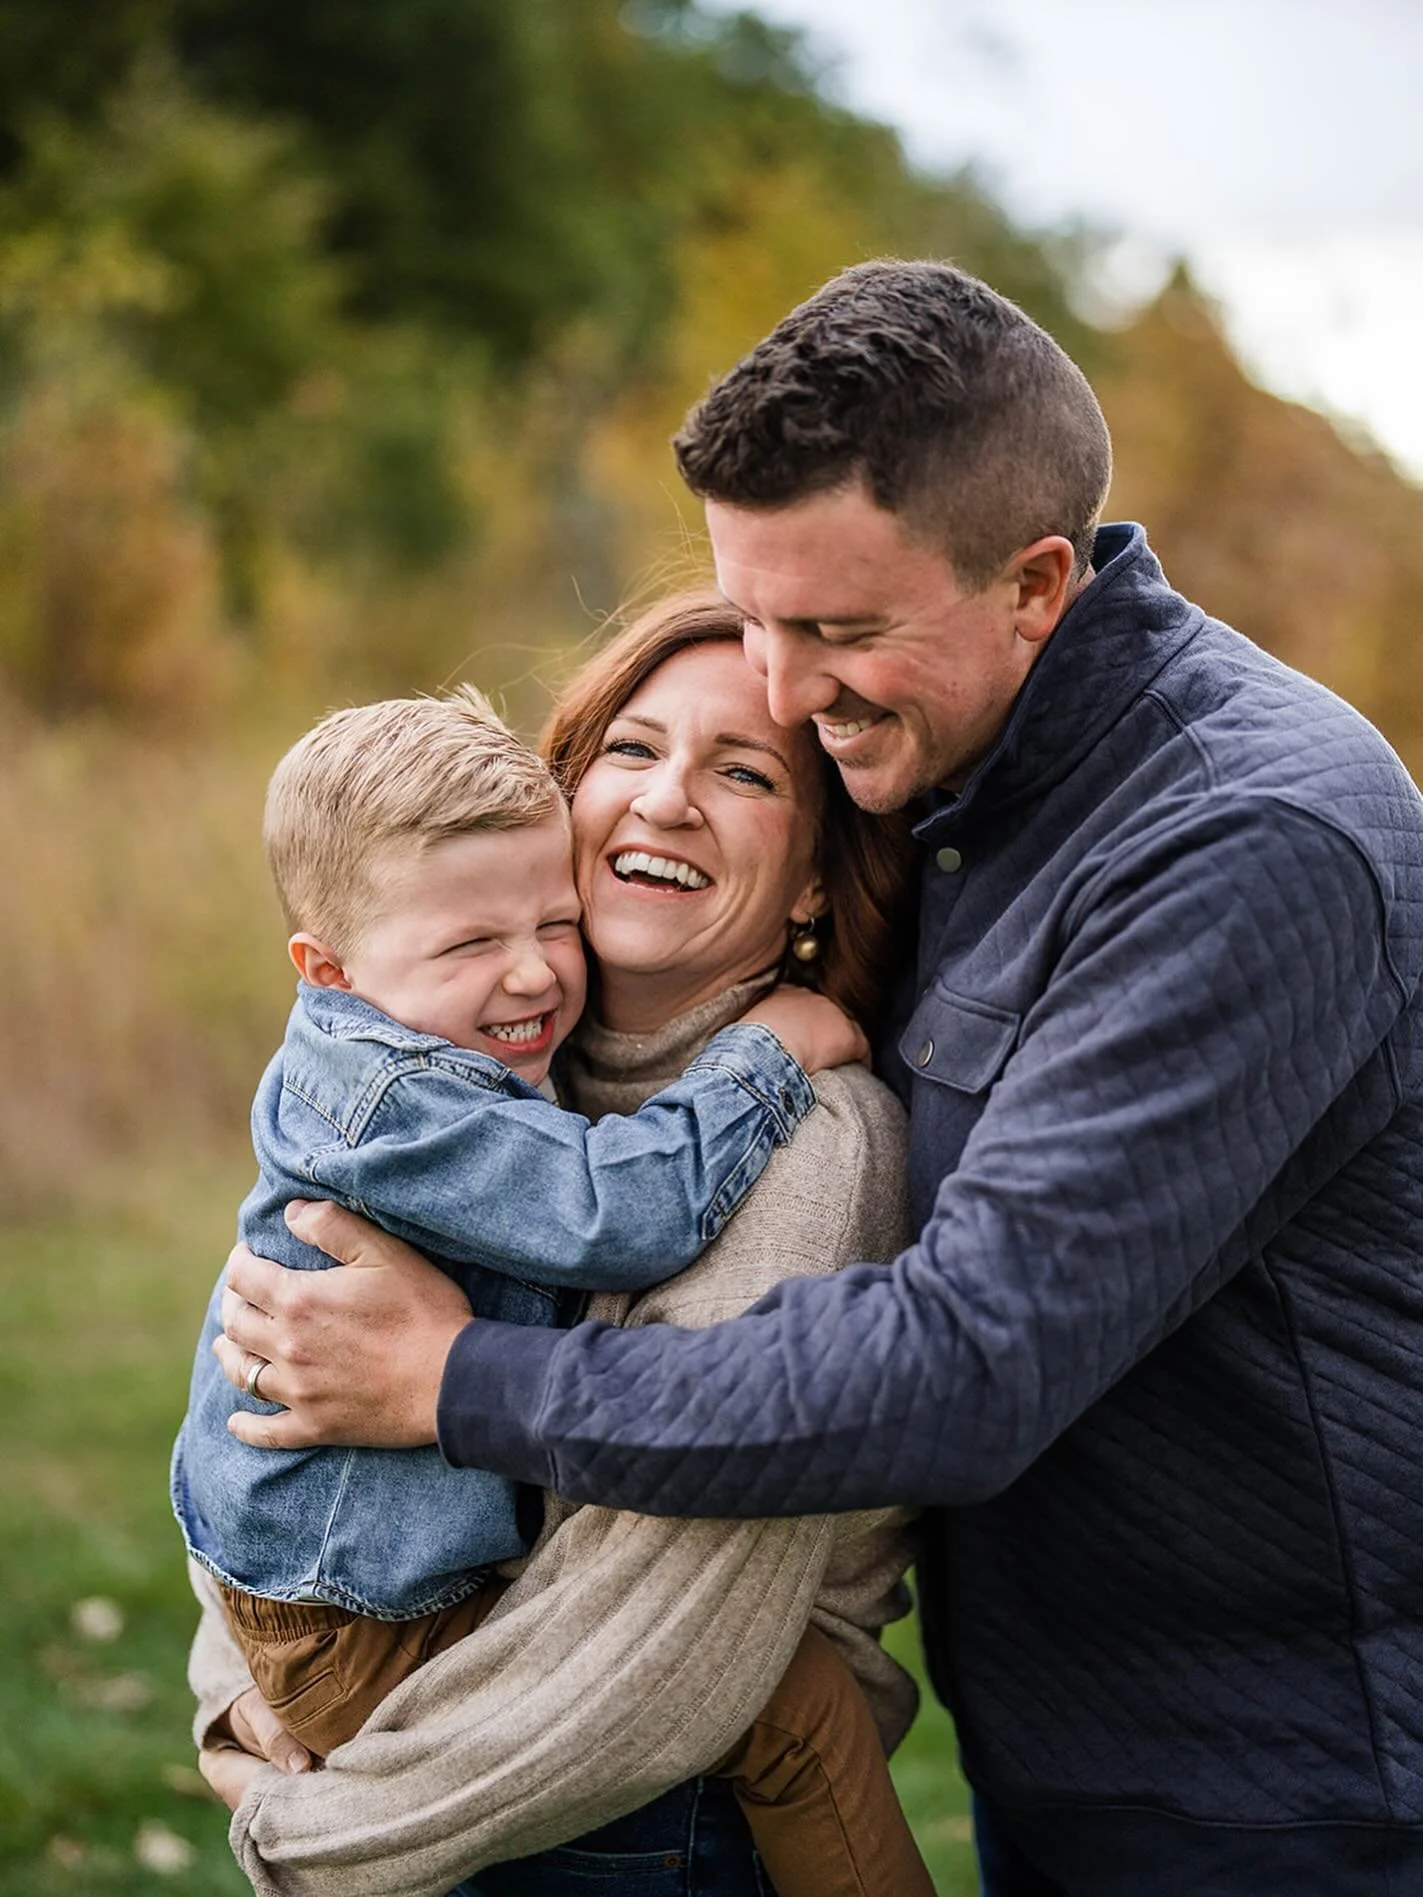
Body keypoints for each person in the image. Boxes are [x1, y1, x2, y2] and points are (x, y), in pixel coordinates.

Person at [217, 259, 1423, 1897]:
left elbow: (967, 1360)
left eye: (837, 628)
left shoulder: (1233, 837)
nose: (781, 689)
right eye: (758, 616)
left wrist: (452, 1384)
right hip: (1066, 1733)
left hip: (1278, 1780)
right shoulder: (960, 782)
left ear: (1034, 583)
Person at [192, 601, 933, 1896]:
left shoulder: (815, 1142)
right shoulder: (478, 1076)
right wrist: (241, 1703)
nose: (668, 800)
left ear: (816, 873)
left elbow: (652, 1607)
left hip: (637, 1809)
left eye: (743, 771)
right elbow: (260, 1369)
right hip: (464, 1765)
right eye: (632, 751)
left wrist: (319, 1828)